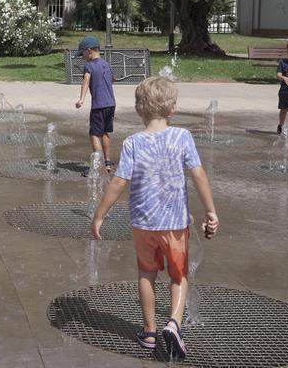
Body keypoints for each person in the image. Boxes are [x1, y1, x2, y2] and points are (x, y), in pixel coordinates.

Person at [91, 77, 219, 360]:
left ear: (139, 110)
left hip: (142, 223)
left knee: (146, 274)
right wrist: (210, 210)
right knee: (179, 275)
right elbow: (198, 174)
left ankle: (149, 332)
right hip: (174, 224)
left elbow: (118, 182)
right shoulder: (182, 136)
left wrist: (100, 215)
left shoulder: (133, 142)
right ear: (172, 109)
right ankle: (173, 323)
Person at [74, 36, 116, 171]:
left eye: (82, 53)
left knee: (94, 134)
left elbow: (86, 81)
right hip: (111, 104)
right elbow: (113, 78)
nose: (82, 56)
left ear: (89, 51)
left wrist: (81, 99)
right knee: (104, 132)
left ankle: (97, 167)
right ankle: (108, 161)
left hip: (99, 105)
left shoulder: (89, 65)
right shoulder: (106, 63)